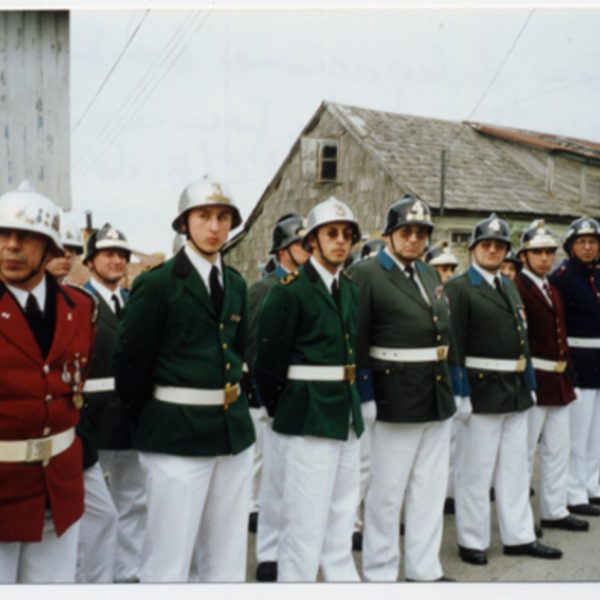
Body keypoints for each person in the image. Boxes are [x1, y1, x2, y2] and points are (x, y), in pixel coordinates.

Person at [112, 176, 255, 582]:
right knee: (168, 560)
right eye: (204, 216)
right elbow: (130, 364)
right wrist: (154, 422)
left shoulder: (238, 284)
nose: (214, 227)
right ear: (184, 224)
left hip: (231, 434)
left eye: (223, 217)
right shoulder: (157, 284)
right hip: (175, 435)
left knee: (226, 556)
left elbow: (237, 352)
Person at [254, 196, 364, 582]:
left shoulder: (349, 290)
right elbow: (267, 364)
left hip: (344, 413)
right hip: (306, 414)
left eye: (347, 235)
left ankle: (340, 580)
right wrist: (285, 409)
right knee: (304, 517)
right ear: (311, 241)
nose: (340, 241)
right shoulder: (289, 290)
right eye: (331, 233)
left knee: (341, 511)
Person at [350, 195, 457, 582]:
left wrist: (455, 385)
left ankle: (423, 570)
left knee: (429, 490)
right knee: (387, 492)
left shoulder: (429, 274)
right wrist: (364, 395)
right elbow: (357, 337)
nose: (414, 239)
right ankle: (380, 573)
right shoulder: (366, 273)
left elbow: (445, 330)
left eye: (421, 233)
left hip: (435, 392)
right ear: (389, 235)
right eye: (406, 231)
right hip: (393, 395)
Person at [445, 213, 562, 566]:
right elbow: (455, 344)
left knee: (515, 470)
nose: (493, 250)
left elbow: (521, 339)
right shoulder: (460, 288)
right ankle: (472, 539)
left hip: (514, 390)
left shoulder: (509, 286)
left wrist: (528, 384)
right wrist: (460, 392)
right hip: (481, 391)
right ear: (473, 250)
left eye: (499, 246)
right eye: (486, 245)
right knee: (476, 472)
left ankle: (519, 536)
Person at [0, 181, 96, 583]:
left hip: (58, 483)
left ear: (52, 249)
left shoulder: (80, 307)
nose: (10, 247)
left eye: (26, 237)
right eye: (3, 235)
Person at [47, 213, 120, 583]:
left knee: (102, 515)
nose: (66, 256)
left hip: (75, 429)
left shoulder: (79, 303)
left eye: (73, 250)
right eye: (59, 249)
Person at [81, 223, 147, 582]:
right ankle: (90, 578)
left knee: (133, 501)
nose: (117, 261)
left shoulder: (134, 301)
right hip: (94, 417)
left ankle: (128, 572)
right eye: (108, 254)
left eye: (122, 255)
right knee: (92, 507)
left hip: (130, 418)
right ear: (90, 261)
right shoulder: (79, 302)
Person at [247, 212, 310, 582]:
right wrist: (266, 398)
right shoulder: (263, 289)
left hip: (305, 398)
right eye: (303, 244)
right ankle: (268, 550)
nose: (309, 249)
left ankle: (296, 547)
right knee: (272, 479)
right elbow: (257, 348)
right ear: (284, 251)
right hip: (272, 399)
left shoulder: (314, 286)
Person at [515, 220, 586, 532]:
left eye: (549, 252)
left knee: (558, 449)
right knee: (523, 455)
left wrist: (569, 377)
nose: (544, 258)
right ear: (523, 256)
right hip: (534, 381)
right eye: (537, 252)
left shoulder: (551, 289)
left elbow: (562, 337)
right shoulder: (517, 288)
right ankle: (519, 518)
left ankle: (554, 509)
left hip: (558, 383)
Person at [549, 217, 600, 516]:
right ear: (570, 246)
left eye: (593, 241)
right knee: (576, 437)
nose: (587, 246)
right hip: (577, 365)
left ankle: (593, 487)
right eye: (581, 241)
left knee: (596, 435)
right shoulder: (562, 278)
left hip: (599, 364)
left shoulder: (598, 275)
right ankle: (573, 492)